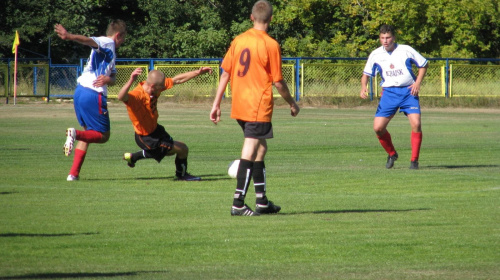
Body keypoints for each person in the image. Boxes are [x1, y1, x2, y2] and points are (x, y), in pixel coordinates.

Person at [210, 0, 300, 216]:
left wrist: (216, 103)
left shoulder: (239, 40)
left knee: (261, 148)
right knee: (250, 149)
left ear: (251, 17)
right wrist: (292, 103)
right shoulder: (270, 44)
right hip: (257, 105)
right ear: (271, 19)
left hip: (240, 103)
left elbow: (225, 73)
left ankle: (262, 202)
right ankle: (238, 203)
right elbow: (278, 82)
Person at [54, 20, 127, 181]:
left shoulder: (111, 52)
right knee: (103, 136)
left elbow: (113, 78)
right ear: (118, 35)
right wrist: (69, 36)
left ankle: (73, 174)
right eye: (123, 39)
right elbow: (89, 41)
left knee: (89, 133)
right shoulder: (107, 42)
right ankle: (74, 133)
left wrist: (108, 79)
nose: (123, 42)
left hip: (80, 91)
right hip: (93, 94)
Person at [118, 67, 212, 181]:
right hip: (146, 137)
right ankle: (182, 175)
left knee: (167, 151)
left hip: (156, 130)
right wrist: (131, 79)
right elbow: (121, 97)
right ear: (152, 86)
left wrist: (198, 72)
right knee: (182, 149)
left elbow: (177, 80)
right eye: (161, 87)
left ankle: (133, 157)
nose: (163, 88)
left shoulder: (155, 87)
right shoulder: (137, 95)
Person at [360, 24, 428, 170]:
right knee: (378, 128)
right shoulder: (375, 54)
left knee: (416, 124)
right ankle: (392, 153)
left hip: (408, 92)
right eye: (382, 38)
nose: (385, 41)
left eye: (388, 37)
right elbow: (366, 74)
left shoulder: (406, 50)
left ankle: (414, 161)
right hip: (389, 94)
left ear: (394, 38)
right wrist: (363, 87)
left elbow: (424, 64)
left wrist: (417, 83)